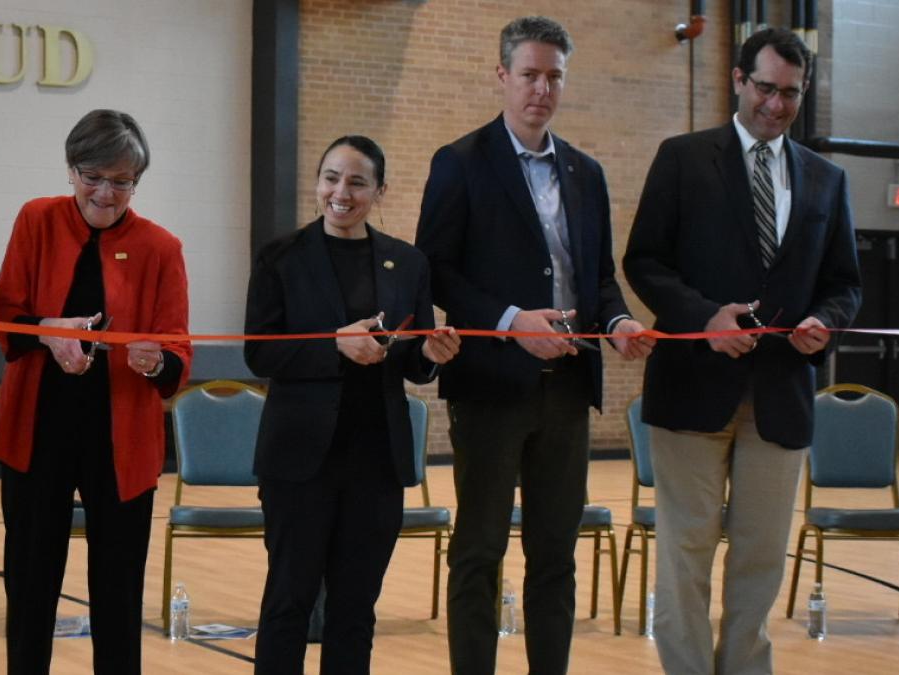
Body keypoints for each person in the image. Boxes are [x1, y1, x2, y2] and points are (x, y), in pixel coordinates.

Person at [415, 15, 652, 675]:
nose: (541, 89)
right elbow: (434, 268)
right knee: (479, 550)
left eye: (554, 77)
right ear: (502, 76)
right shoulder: (459, 163)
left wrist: (619, 323)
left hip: (569, 390)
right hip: (490, 387)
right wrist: (512, 318)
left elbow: (597, 278)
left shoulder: (587, 171)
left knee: (557, 552)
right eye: (529, 75)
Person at [622, 26, 862, 675]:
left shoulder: (827, 179)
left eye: (790, 93)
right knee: (686, 554)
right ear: (738, 80)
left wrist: (825, 320)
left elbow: (846, 284)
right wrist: (704, 318)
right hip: (691, 388)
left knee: (760, 557)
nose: (776, 105)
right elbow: (643, 260)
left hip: (781, 395)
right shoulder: (681, 157)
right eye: (765, 88)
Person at [245, 136, 462, 674]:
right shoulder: (280, 257)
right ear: (318, 183)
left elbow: (411, 360)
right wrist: (332, 343)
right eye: (331, 178)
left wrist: (433, 354)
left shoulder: (407, 263)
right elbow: (259, 354)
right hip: (299, 461)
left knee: (355, 611)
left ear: (379, 191)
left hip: (375, 460)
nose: (341, 192)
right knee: (288, 604)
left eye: (357, 181)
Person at [0, 109, 191, 675]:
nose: (105, 191)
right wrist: (51, 333)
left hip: (121, 441)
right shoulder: (37, 219)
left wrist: (156, 360)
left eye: (121, 180)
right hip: (38, 431)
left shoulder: (161, 247)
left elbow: (179, 349)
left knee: (119, 593)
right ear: (71, 169)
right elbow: (4, 316)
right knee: (30, 586)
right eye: (92, 175)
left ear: (137, 181)